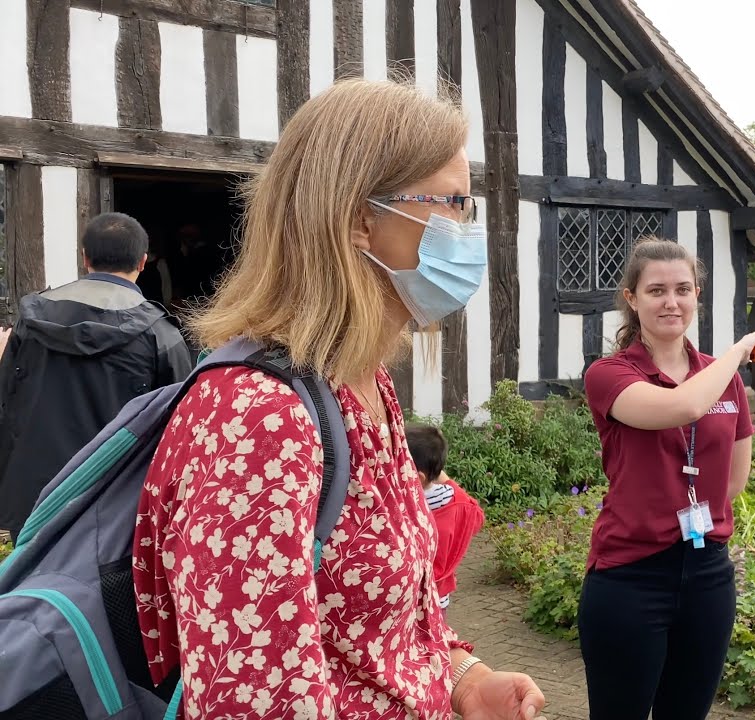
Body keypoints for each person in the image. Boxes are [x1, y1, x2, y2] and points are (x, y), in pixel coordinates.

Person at [130, 77, 546, 719]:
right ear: (358, 219)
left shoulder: (361, 383)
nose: (469, 231)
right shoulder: (258, 418)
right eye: (453, 205)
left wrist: (462, 677)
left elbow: (377, 619)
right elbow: (254, 704)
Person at [578, 237, 755, 720]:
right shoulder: (609, 374)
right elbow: (680, 406)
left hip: (708, 575)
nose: (671, 301)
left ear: (697, 294)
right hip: (630, 576)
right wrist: (742, 349)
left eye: (683, 289)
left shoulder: (724, 383)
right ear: (632, 298)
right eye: (657, 290)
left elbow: (732, 482)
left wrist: (727, 371)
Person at [0, 211, 191, 537]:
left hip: (33, 500)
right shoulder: (161, 335)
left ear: (84, 257)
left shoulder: (30, 321)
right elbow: (180, 435)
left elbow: (6, 403)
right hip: (113, 506)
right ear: (143, 262)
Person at [405, 422, 486, 613]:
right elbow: (477, 517)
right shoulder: (456, 502)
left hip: (408, 603)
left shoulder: (403, 504)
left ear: (417, 476)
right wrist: (444, 477)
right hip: (439, 600)